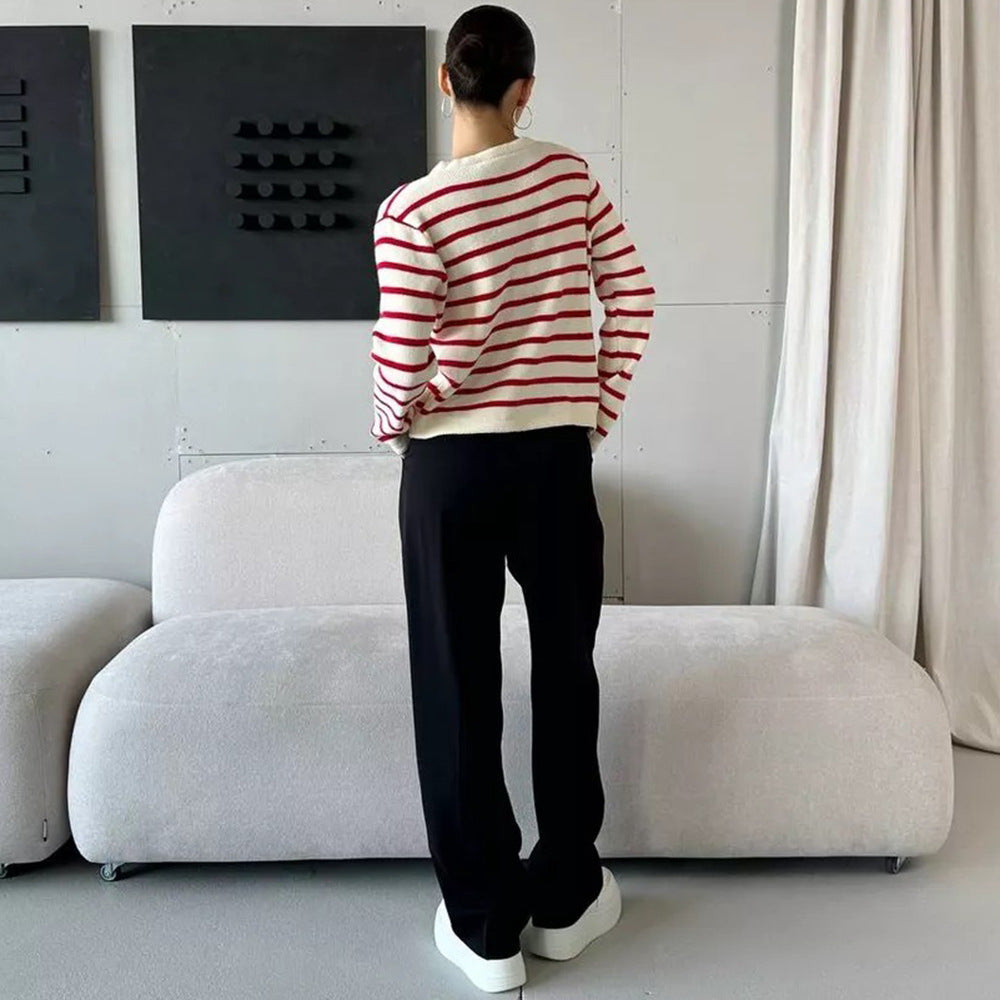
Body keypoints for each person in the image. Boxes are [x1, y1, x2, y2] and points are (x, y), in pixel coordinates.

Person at [368, 4, 655, 992]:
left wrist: (402, 417)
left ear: (444, 81)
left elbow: (401, 359)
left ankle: (486, 927)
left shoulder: (411, 212)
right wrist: (592, 409)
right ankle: (567, 900)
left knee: (456, 685)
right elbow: (634, 296)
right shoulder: (568, 177)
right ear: (524, 89)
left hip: (448, 472)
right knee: (566, 670)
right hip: (554, 465)